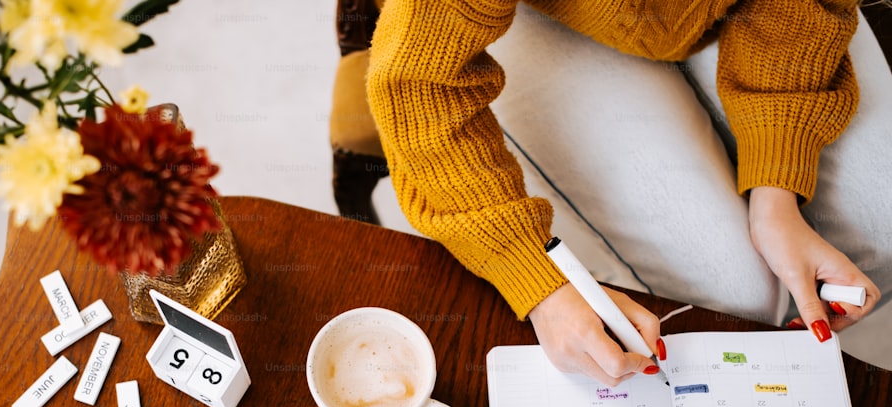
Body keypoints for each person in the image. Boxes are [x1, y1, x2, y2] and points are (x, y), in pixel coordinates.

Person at [366, 0, 891, 385]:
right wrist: (539, 284)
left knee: (881, 227)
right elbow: (417, 87)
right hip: (520, 14)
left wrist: (776, 195)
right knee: (739, 291)